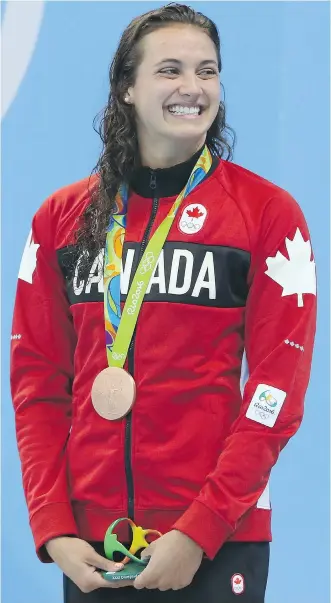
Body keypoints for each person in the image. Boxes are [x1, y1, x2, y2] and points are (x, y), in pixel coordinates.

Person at [10, 3, 317, 603]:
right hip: (93, 551)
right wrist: (54, 528)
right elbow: (37, 384)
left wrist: (198, 533)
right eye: (170, 70)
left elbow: (275, 394)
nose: (192, 88)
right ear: (126, 87)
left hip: (217, 537)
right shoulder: (61, 220)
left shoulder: (268, 215)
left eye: (208, 71)